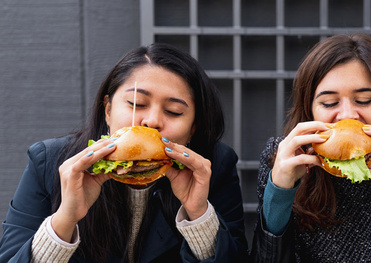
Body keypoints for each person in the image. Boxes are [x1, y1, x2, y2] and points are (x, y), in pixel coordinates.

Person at [0, 43, 248, 262]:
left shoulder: (213, 167)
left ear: (193, 127)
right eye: (136, 104)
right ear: (107, 110)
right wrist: (65, 219)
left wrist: (199, 215)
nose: (151, 121)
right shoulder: (50, 162)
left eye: (173, 111)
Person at [250, 33, 371, 262]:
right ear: (310, 110)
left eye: (364, 100)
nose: (347, 115)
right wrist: (280, 193)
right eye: (329, 103)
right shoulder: (283, 157)